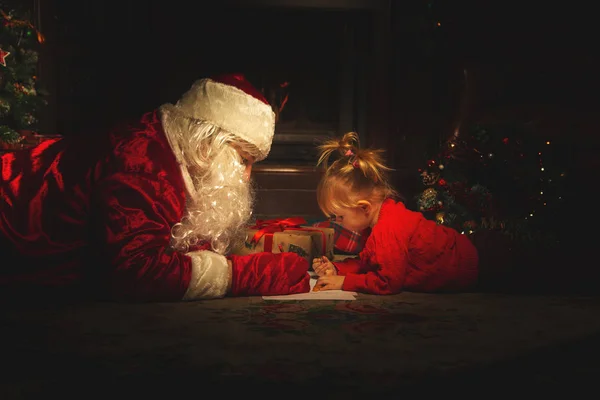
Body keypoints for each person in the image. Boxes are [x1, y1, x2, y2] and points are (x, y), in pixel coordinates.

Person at [0, 73, 310, 302]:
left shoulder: (174, 150)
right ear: (209, 142)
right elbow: (132, 272)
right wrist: (247, 274)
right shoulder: (142, 165)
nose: (245, 177)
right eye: (243, 160)